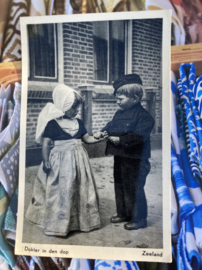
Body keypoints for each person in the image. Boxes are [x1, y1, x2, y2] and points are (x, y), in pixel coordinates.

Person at [25, 84, 106, 237]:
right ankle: (58, 223)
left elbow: (87, 139)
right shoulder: (53, 123)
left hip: (78, 159)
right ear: (63, 106)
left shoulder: (78, 123)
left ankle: (78, 221)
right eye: (73, 108)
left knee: (78, 186)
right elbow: (46, 144)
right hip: (59, 161)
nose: (76, 111)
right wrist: (46, 160)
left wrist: (98, 137)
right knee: (60, 189)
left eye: (77, 108)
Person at [94, 74, 155, 230]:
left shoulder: (144, 117)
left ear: (135, 98)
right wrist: (103, 132)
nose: (117, 102)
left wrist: (121, 140)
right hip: (121, 157)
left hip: (136, 159)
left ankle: (139, 219)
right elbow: (111, 125)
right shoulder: (119, 113)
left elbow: (140, 136)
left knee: (134, 188)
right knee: (120, 185)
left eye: (120, 99)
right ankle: (123, 213)